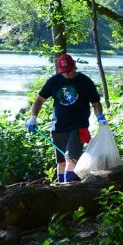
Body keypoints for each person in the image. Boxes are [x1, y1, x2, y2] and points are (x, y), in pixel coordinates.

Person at [27, 53, 105, 184]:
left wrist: (100, 117)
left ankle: (68, 188)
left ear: (74, 66)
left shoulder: (85, 81)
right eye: (63, 71)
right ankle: (60, 191)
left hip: (78, 127)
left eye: (69, 70)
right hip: (58, 127)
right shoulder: (54, 81)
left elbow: (96, 103)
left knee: (71, 160)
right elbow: (39, 100)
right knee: (62, 162)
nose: (67, 74)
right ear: (59, 69)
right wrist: (33, 118)